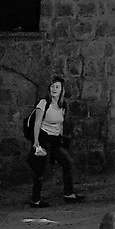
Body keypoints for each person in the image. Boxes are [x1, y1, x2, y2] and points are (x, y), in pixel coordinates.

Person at [29, 78, 79, 206]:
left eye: (57, 87)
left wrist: (61, 138)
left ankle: (69, 194)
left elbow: (60, 124)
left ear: (62, 90)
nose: (54, 89)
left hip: (55, 140)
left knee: (67, 163)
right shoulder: (43, 103)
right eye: (52, 86)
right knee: (40, 169)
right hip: (43, 138)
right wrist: (36, 142)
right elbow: (37, 123)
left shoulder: (63, 105)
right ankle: (35, 200)